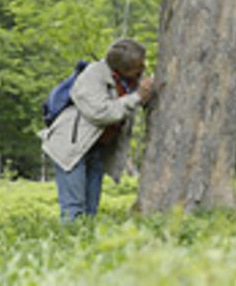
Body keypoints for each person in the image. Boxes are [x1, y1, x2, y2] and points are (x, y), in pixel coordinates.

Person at [40, 38, 154, 222]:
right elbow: (101, 113)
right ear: (121, 69)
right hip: (71, 148)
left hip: (96, 148)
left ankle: (86, 246)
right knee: (74, 207)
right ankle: (69, 246)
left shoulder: (130, 79)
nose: (143, 68)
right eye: (138, 65)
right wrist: (138, 97)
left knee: (91, 209)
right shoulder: (92, 76)